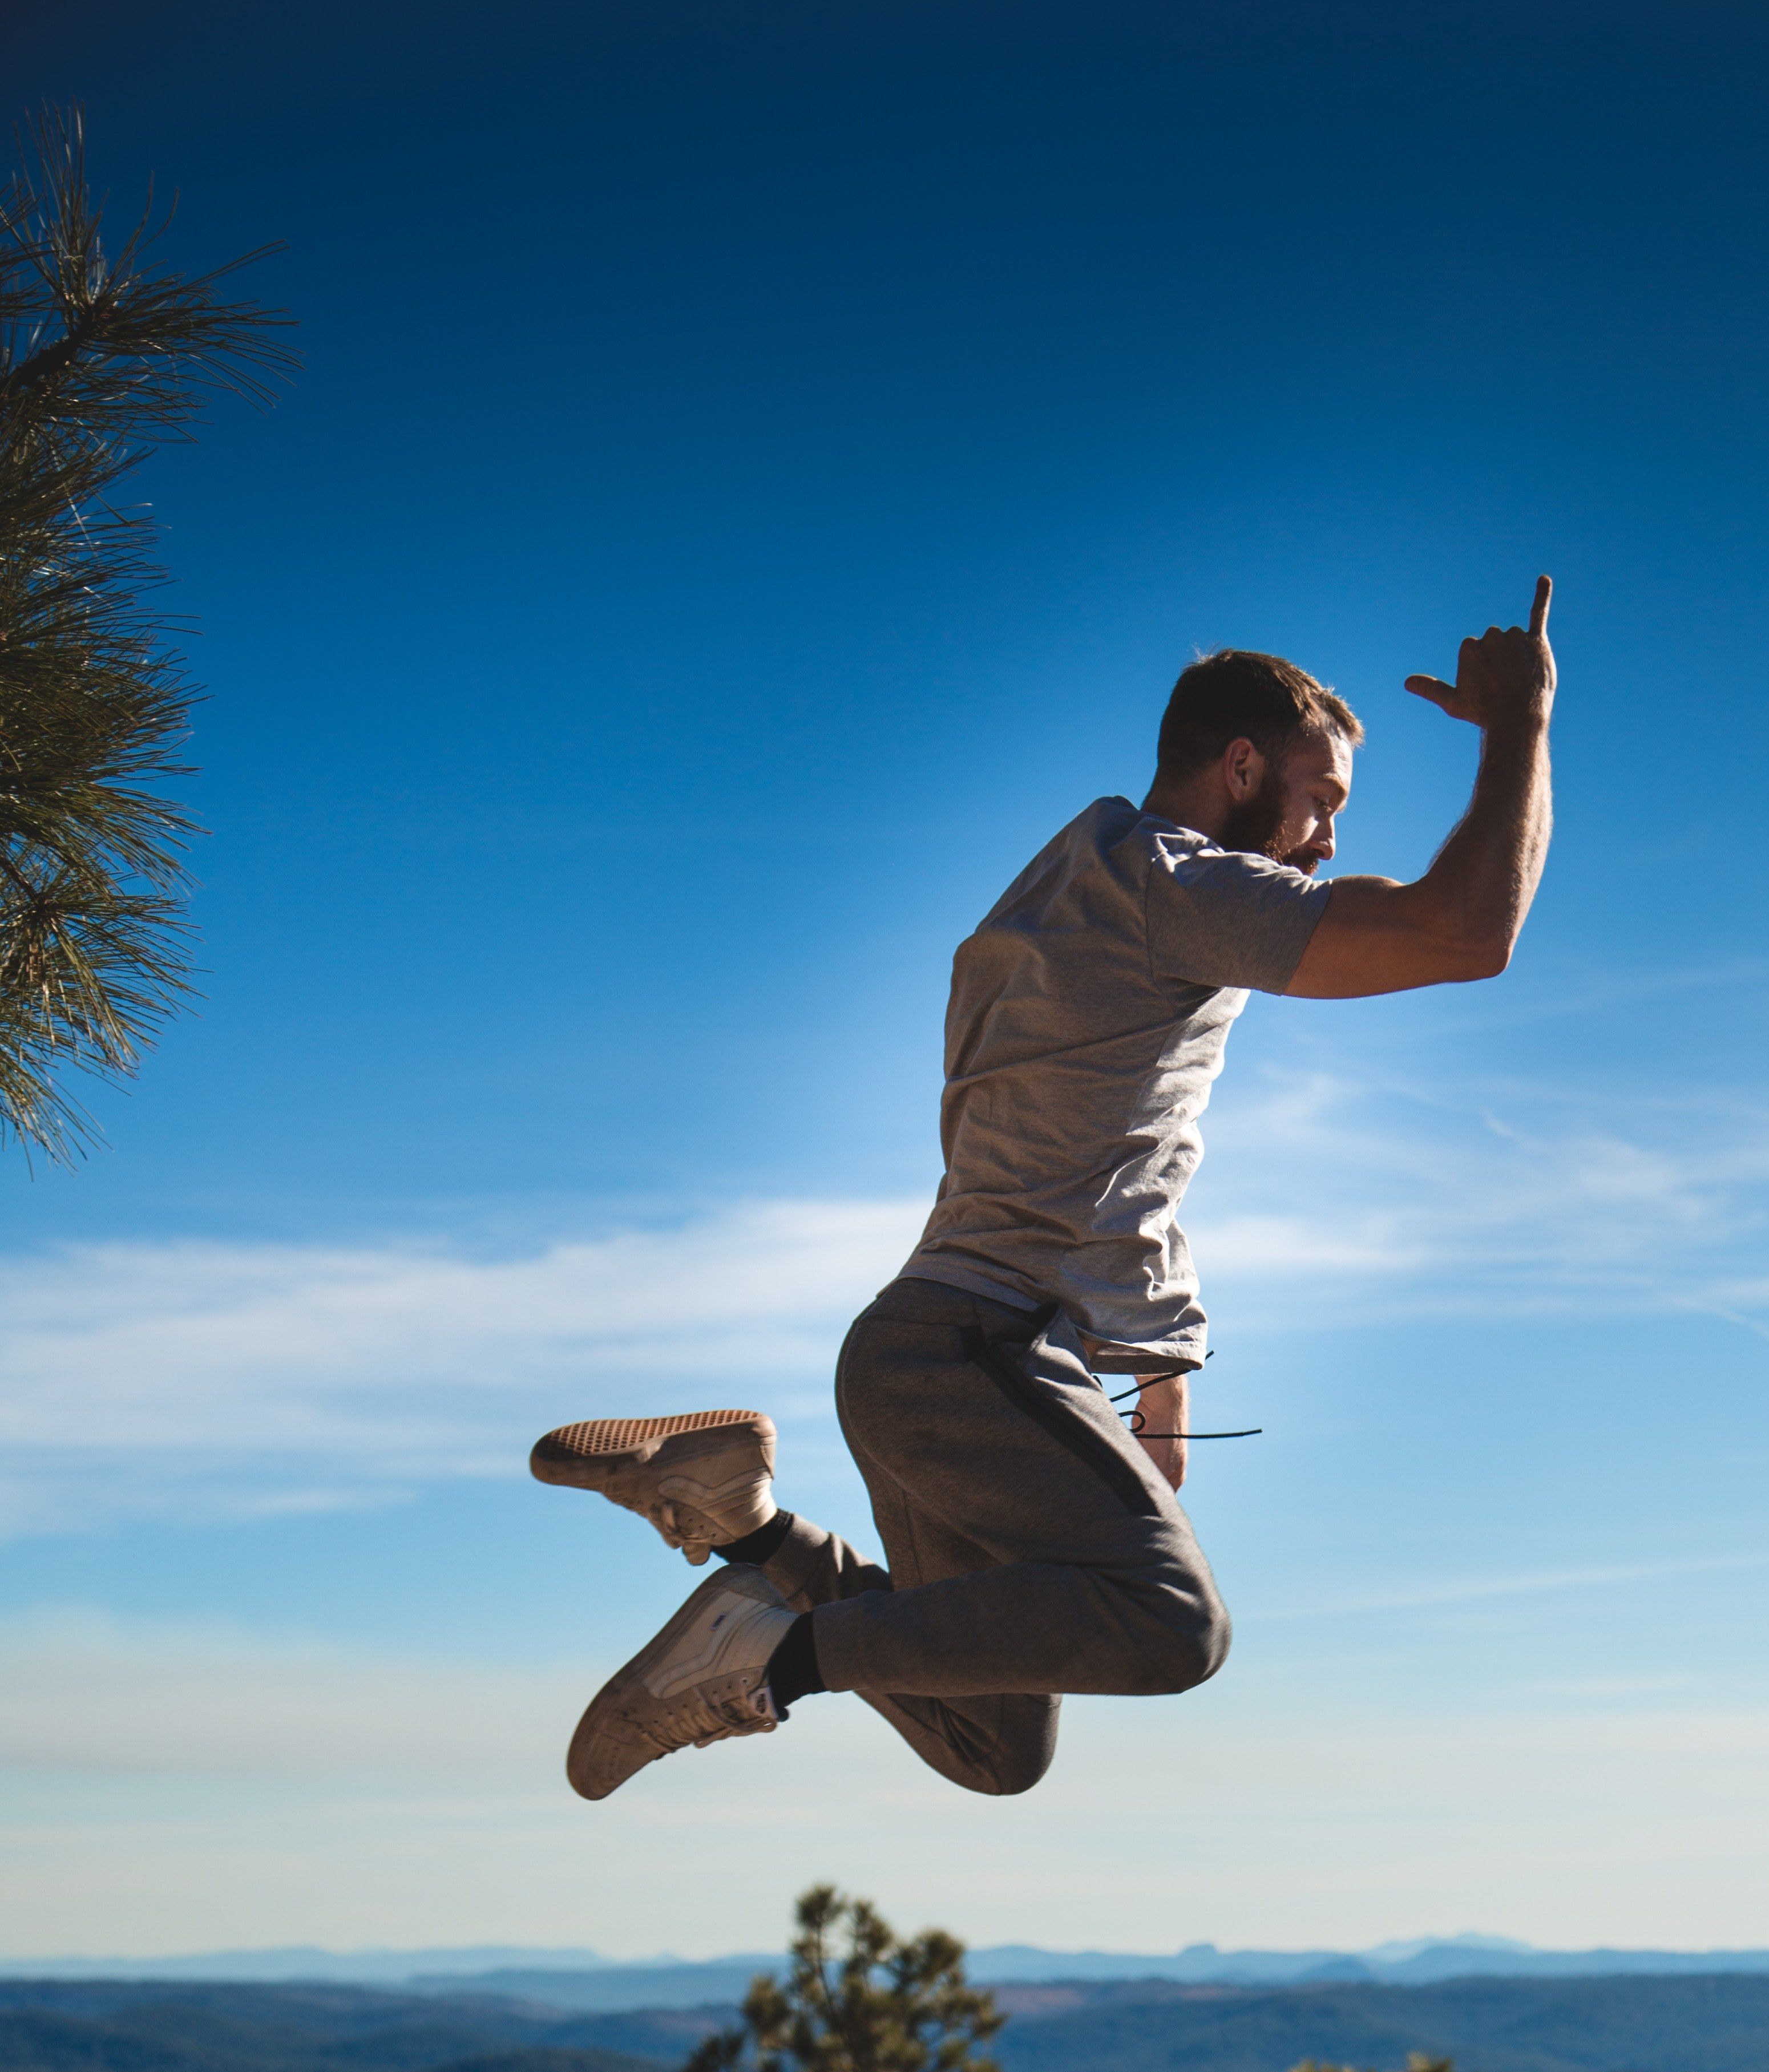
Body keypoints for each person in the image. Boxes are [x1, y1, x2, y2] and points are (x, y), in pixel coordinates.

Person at [535, 578, 1557, 1802]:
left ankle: (750, 1525)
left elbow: (1119, 1154)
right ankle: (759, 1658)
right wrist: (1520, 729)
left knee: (994, 1746)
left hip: (926, 1358)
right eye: (1320, 799)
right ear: (1241, 768)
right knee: (1172, 1622)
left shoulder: (1077, 881)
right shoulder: (1171, 886)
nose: (1330, 838)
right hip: (973, 1352)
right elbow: (1466, 934)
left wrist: (1163, 1367)